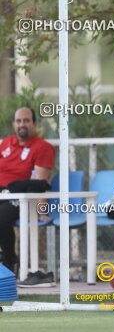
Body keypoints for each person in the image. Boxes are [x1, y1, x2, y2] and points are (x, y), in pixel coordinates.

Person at [0, 107, 55, 284]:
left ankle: (9, 260)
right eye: (18, 121)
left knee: (0, 218)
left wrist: (42, 208)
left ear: (34, 123)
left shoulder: (42, 147)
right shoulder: (7, 142)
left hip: (22, 197)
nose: (21, 124)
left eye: (26, 120)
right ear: (13, 124)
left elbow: (40, 183)